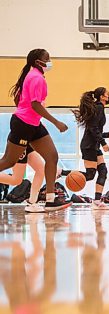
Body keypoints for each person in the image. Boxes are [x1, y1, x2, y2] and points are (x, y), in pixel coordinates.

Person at [2, 48, 71, 211]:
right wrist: (56, 122)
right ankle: (44, 199)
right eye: (47, 58)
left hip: (34, 124)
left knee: (52, 157)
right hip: (23, 124)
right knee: (8, 161)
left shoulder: (36, 76)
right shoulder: (35, 77)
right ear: (37, 62)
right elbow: (35, 105)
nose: (49, 61)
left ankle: (50, 200)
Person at [61, 87, 109, 210]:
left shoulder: (98, 107)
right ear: (102, 96)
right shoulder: (99, 107)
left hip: (92, 144)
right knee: (90, 175)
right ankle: (61, 172)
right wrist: (103, 142)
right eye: (107, 93)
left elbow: (94, 129)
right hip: (90, 145)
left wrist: (108, 135)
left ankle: (97, 201)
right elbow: (93, 128)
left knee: (103, 171)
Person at [0, 147, 45, 213]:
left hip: (29, 143)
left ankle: (31, 203)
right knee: (16, 180)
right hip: (20, 142)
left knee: (41, 170)